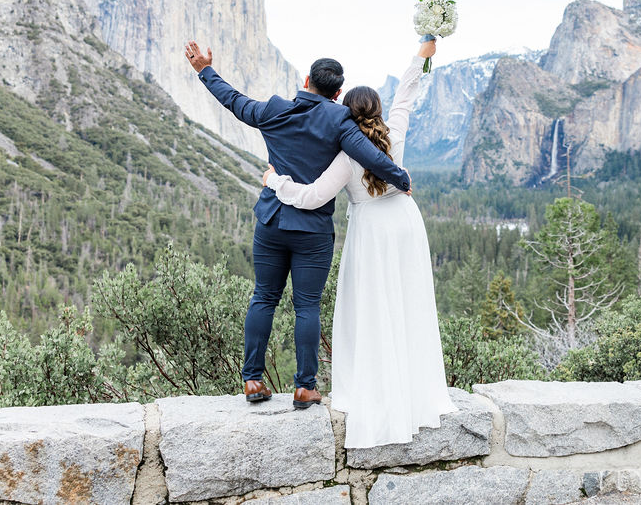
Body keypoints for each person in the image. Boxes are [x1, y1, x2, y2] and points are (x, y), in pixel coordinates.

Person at [184, 40, 412, 409]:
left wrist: (204, 71)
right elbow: (371, 156)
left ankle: (253, 381)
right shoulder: (340, 120)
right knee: (307, 307)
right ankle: (305, 387)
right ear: (338, 93)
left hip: (272, 221)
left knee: (263, 298)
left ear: (306, 80)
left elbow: (235, 101)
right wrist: (401, 179)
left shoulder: (274, 111)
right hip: (312, 232)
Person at [262, 38, 456, 448]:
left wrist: (275, 181)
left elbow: (314, 196)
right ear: (378, 112)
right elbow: (406, 94)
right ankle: (414, 387)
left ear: (345, 114)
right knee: (407, 303)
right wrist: (421, 55)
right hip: (405, 225)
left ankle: (374, 386)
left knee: (370, 308)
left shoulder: (347, 156)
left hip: (371, 233)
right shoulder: (395, 135)